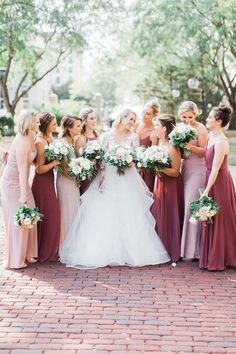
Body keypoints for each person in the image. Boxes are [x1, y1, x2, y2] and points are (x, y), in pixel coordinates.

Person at [60, 108, 170, 268]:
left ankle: (130, 253)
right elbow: (103, 159)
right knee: (106, 213)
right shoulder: (107, 136)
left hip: (127, 178)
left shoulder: (133, 137)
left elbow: (135, 159)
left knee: (129, 213)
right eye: (130, 119)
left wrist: (129, 161)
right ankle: (106, 252)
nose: (132, 122)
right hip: (109, 178)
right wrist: (103, 177)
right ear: (122, 118)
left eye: (134, 120)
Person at [1, 111, 40, 269]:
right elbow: (23, 171)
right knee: (18, 219)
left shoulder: (32, 137)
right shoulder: (22, 141)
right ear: (30, 124)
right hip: (12, 183)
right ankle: (16, 260)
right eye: (36, 122)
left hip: (21, 181)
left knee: (31, 213)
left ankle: (27, 253)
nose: (39, 124)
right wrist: (23, 194)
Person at [199, 105, 236, 271]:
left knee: (221, 218)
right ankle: (210, 256)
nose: (207, 119)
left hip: (219, 183)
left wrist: (206, 191)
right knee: (211, 217)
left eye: (210, 117)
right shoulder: (210, 137)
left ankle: (224, 257)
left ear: (219, 121)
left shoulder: (221, 142)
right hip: (210, 179)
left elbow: (215, 169)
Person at [151, 114, 183, 263]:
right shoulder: (159, 144)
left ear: (164, 128)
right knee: (158, 213)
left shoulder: (173, 147)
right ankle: (159, 248)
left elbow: (176, 172)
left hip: (171, 186)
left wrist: (160, 169)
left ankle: (170, 248)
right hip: (160, 183)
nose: (155, 128)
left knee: (169, 215)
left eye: (157, 125)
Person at [179, 101, 208, 261]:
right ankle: (185, 247)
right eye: (184, 117)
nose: (187, 120)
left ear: (195, 115)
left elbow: (205, 151)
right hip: (185, 170)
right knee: (185, 206)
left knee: (191, 207)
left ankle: (192, 251)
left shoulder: (200, 128)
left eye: (190, 117)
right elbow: (181, 154)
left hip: (198, 171)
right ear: (180, 115)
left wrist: (188, 146)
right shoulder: (179, 128)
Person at [32, 112, 60, 262]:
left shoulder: (51, 137)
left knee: (51, 216)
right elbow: (39, 168)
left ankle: (49, 251)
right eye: (53, 123)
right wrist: (54, 163)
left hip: (50, 181)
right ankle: (44, 252)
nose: (56, 125)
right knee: (51, 215)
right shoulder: (40, 141)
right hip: (42, 183)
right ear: (46, 124)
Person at [57, 115, 82, 242]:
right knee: (67, 212)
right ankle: (65, 243)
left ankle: (73, 242)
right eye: (78, 125)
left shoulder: (72, 141)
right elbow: (63, 167)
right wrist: (75, 178)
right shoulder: (62, 143)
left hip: (73, 181)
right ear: (69, 128)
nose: (80, 127)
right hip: (66, 181)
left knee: (74, 211)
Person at [137, 99, 160, 192]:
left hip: (147, 169)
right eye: (143, 112)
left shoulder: (155, 131)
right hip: (133, 167)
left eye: (148, 114)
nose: (144, 115)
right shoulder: (136, 126)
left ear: (154, 115)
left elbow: (153, 154)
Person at [76, 107, 99, 194]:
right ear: (84, 121)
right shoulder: (81, 139)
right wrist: (92, 162)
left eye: (95, 118)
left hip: (99, 174)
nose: (95, 120)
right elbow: (79, 162)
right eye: (92, 118)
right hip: (87, 177)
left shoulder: (97, 135)